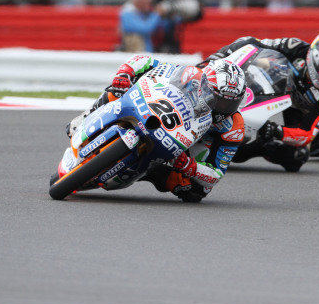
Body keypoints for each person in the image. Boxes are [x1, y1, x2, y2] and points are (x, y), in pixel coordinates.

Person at [64, 55, 246, 202]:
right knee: (117, 90)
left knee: (197, 191)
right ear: (205, 86)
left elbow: (216, 174)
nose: (222, 106)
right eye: (219, 99)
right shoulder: (190, 77)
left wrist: (189, 166)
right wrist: (124, 74)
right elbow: (147, 62)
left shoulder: (233, 126)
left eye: (229, 103)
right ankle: (85, 118)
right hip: (162, 115)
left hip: (186, 149)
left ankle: (148, 171)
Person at [203, 30, 319, 171]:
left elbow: (306, 134)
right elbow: (251, 43)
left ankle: (247, 149)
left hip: (297, 109)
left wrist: (276, 131)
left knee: (296, 157)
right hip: (273, 82)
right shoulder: (295, 47)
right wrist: (221, 56)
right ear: (315, 55)